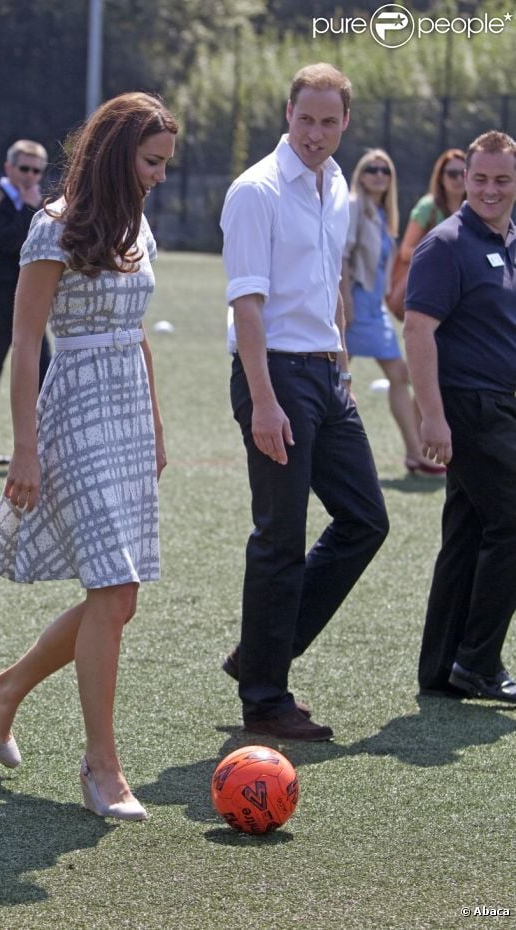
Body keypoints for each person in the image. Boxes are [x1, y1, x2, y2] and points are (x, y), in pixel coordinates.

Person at [0, 92, 178, 821]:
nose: (159, 176)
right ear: (118, 154)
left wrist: (152, 421)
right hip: (75, 410)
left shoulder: (137, 222)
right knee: (113, 592)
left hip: (124, 410)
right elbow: (26, 343)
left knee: (118, 598)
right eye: (151, 162)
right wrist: (23, 446)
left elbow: (137, 328)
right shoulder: (51, 226)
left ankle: (2, 691)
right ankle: (101, 767)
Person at [219, 63, 389, 741]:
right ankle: (264, 697)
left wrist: (341, 365)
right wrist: (263, 401)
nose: (315, 133)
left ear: (345, 122)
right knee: (279, 537)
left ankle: (261, 651)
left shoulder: (338, 184)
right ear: (285, 113)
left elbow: (332, 282)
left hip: (324, 374)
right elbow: (247, 305)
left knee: (365, 520)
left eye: (328, 121)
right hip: (274, 376)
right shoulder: (254, 190)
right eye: (304, 118)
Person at [404, 130, 516, 703]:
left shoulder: (510, 240)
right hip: (469, 407)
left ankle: (443, 668)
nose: (490, 190)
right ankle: (478, 663)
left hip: (502, 406)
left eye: (502, 180)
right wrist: (431, 416)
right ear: (462, 180)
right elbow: (417, 329)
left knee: (469, 534)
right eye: (480, 179)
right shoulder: (446, 244)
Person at [341, 149, 445, 477]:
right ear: (360, 172)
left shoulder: (383, 213)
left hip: (375, 307)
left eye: (384, 170)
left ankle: (415, 454)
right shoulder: (354, 204)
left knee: (397, 375)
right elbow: (341, 257)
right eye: (371, 168)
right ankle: (321, 455)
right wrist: (346, 305)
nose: (378, 174)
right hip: (355, 305)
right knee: (335, 381)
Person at [0, 140, 52, 466]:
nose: (30, 176)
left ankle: (46, 449)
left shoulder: (40, 204)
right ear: (9, 168)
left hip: (31, 309)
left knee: (46, 380)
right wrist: (31, 208)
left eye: (36, 170)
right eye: (24, 168)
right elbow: (13, 244)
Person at [398, 147, 466, 263]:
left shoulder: (476, 209)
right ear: (441, 177)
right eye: (452, 174)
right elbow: (405, 251)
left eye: (463, 173)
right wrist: (437, 256)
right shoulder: (427, 207)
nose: (459, 178)